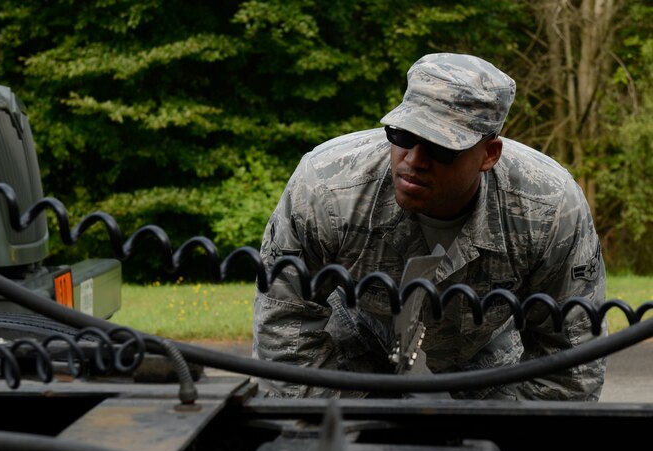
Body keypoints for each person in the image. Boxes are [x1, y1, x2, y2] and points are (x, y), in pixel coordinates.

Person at [252, 53, 607, 401]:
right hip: (356, 340)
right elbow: (285, 333)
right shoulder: (326, 188)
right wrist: (348, 429)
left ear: (489, 154)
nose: (414, 160)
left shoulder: (549, 207)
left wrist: (500, 444)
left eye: (441, 148)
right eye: (403, 136)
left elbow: (571, 365)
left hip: (483, 358)